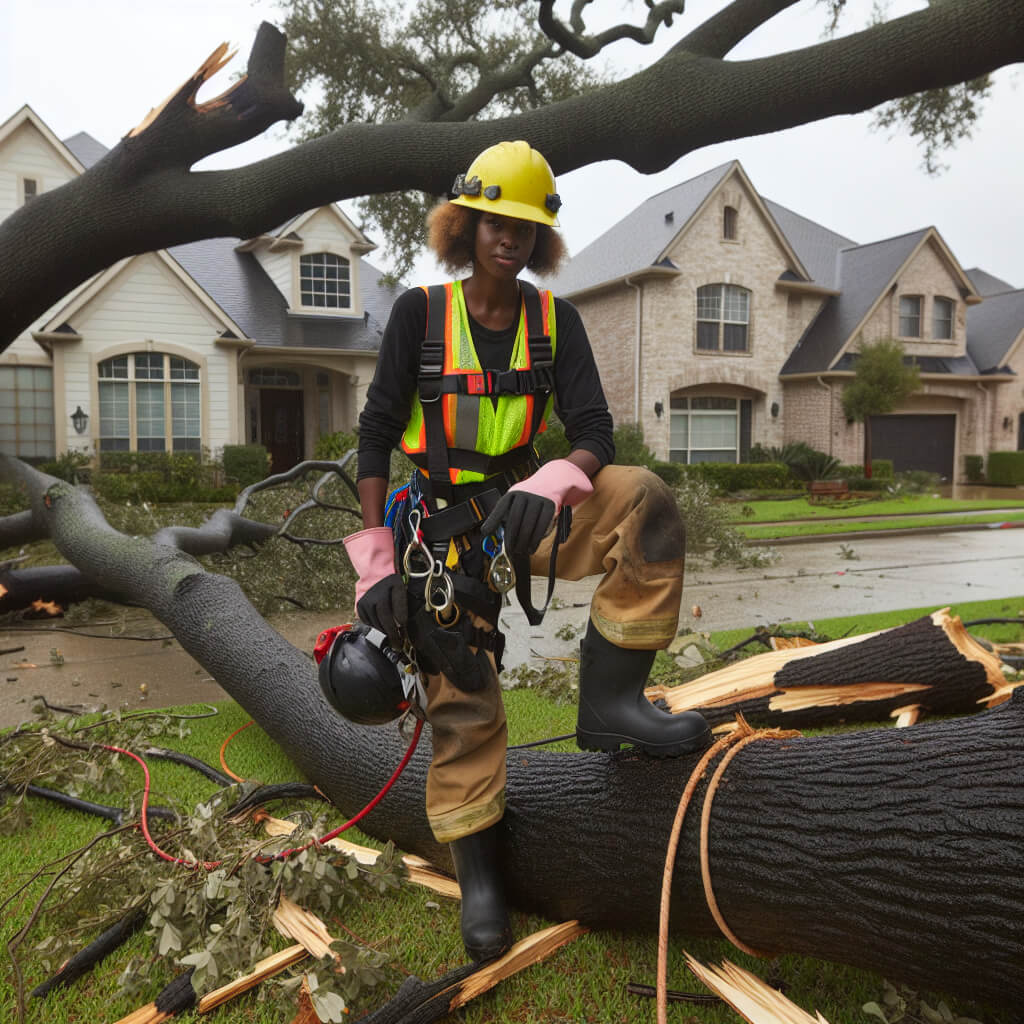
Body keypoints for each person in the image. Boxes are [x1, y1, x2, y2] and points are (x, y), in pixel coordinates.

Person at [342, 141, 711, 963]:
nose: (509, 238)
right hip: (437, 533)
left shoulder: (557, 321)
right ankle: (480, 877)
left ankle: (610, 704)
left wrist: (554, 482)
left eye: (526, 225)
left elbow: (595, 434)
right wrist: (372, 558)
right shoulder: (419, 314)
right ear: (466, 225)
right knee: (463, 696)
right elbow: (374, 434)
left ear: (540, 237)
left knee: (642, 501)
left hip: (524, 509)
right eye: (495, 221)